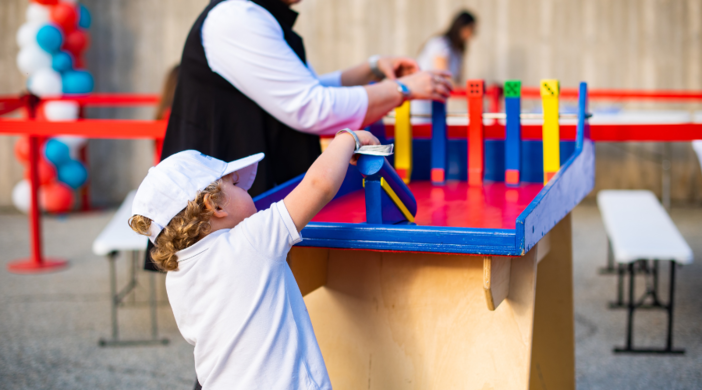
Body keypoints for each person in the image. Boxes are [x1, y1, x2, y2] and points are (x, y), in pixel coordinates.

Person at [144, 0, 452, 272]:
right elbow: (310, 105)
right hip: (228, 215)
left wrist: (371, 68)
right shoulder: (236, 16)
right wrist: (400, 91)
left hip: (234, 208)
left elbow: (305, 87)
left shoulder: (248, 13)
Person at [130, 129, 380, 389]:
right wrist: (348, 139)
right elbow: (319, 185)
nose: (247, 191)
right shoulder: (251, 241)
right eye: (235, 185)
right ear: (215, 206)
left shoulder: (177, 277)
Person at [416, 10, 477, 85]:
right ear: (461, 28)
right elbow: (443, 77)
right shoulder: (441, 44)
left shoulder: (457, 50)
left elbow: (457, 81)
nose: (472, 35)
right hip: (424, 92)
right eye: (471, 30)